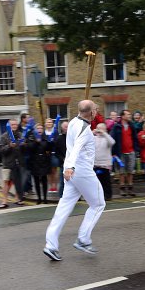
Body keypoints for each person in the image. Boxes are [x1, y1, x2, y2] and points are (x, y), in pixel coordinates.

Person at [43, 100, 105, 261]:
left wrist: (69, 168)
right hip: (81, 171)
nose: (97, 111)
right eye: (96, 109)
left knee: (64, 207)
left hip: (71, 172)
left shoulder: (73, 122)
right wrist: (71, 166)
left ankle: (51, 245)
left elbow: (78, 141)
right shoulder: (84, 129)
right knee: (98, 204)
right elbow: (77, 146)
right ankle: (83, 240)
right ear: (90, 112)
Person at [111, 109, 139, 196]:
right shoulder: (117, 126)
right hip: (121, 152)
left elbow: (135, 138)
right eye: (128, 114)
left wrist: (136, 149)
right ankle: (122, 189)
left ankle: (130, 188)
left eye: (130, 114)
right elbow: (112, 139)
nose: (129, 116)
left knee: (130, 171)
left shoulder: (132, 126)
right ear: (123, 116)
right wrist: (113, 152)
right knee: (122, 172)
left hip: (131, 151)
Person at [0, 119, 25, 208]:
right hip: (8, 163)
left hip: (18, 162)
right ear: (9, 126)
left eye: (16, 124)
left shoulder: (20, 135)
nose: (14, 126)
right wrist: (9, 146)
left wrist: (23, 145)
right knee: (7, 182)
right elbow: (1, 150)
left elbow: (23, 148)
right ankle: (4, 201)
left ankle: (18, 198)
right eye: (12, 124)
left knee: (18, 182)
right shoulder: (4, 136)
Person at [27, 123, 52, 204]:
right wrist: (36, 142)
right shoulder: (31, 138)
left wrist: (49, 142)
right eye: (38, 128)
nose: (40, 130)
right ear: (35, 130)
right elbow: (30, 148)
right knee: (36, 181)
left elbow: (49, 148)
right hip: (35, 162)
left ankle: (45, 198)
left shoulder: (45, 138)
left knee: (44, 181)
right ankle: (39, 198)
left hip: (44, 162)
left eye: (41, 128)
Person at [93, 123, 115, 200]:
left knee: (106, 181)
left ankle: (108, 196)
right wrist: (92, 133)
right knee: (96, 182)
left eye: (101, 128)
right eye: (98, 128)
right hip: (95, 164)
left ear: (105, 130)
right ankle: (98, 196)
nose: (99, 130)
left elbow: (112, 142)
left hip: (105, 164)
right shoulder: (93, 138)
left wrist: (104, 133)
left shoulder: (107, 138)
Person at [18, 113, 34, 195]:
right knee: (23, 173)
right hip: (21, 154)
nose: (30, 119)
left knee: (29, 172)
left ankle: (29, 189)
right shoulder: (18, 129)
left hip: (29, 153)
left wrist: (27, 144)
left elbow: (32, 140)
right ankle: (23, 190)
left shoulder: (30, 129)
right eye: (28, 118)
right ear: (23, 119)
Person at [45, 118, 59, 192]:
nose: (49, 123)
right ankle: (51, 187)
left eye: (50, 122)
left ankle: (55, 186)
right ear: (45, 124)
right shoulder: (44, 133)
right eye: (48, 122)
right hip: (46, 154)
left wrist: (53, 141)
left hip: (54, 153)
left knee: (54, 170)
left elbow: (57, 142)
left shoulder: (55, 132)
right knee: (48, 172)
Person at [55, 121, 69, 198]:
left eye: (68, 126)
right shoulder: (59, 139)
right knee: (63, 181)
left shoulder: (73, 137)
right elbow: (57, 153)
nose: (67, 128)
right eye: (65, 126)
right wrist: (62, 159)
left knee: (74, 181)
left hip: (73, 163)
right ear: (62, 128)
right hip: (63, 163)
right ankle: (61, 196)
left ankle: (76, 197)